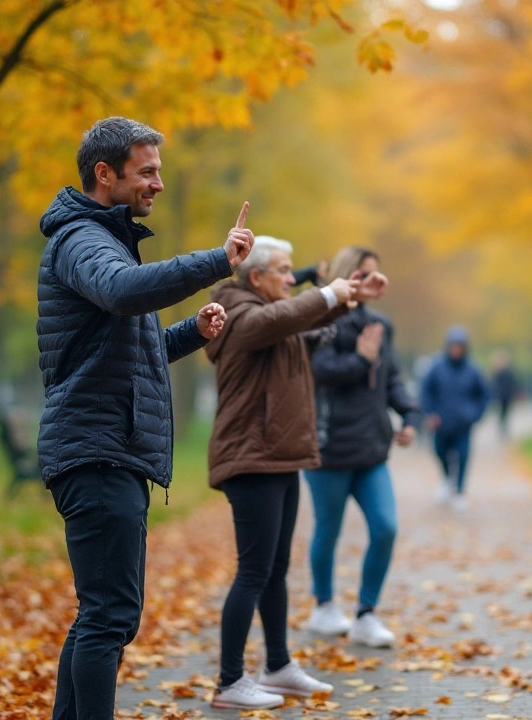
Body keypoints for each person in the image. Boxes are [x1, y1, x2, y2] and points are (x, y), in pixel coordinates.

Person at [37, 117, 253, 720]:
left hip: (106, 445)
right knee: (108, 616)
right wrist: (217, 259)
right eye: (147, 171)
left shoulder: (104, 239)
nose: (158, 182)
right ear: (105, 174)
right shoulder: (83, 240)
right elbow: (124, 291)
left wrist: (191, 331)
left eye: (159, 170)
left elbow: (127, 347)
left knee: (101, 615)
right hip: (96, 449)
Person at [205, 236, 387, 710]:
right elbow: (281, 319)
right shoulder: (239, 313)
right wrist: (330, 292)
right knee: (253, 571)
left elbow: (304, 324)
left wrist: (352, 296)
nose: (293, 277)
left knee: (276, 570)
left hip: (280, 456)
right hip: (252, 458)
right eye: (284, 271)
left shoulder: (270, 316)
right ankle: (229, 681)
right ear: (256, 277)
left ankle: (279, 666)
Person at [303, 246, 421, 648]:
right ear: (347, 276)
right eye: (364, 273)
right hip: (328, 447)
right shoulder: (320, 319)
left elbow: (392, 379)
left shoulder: (381, 325)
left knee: (385, 528)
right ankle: (323, 606)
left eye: (377, 273)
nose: (373, 281)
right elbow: (320, 373)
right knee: (328, 530)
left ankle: (367, 614)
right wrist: (360, 358)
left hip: (371, 448)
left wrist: (407, 415)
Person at [420, 326, 490, 512]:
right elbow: (426, 391)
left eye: (460, 346)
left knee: (463, 457)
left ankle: (459, 492)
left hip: (462, 425)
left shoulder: (473, 370)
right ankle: (446, 481)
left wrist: (475, 415)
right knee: (439, 452)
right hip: (440, 424)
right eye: (454, 345)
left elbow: (484, 395)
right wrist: (430, 413)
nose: (456, 349)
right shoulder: (436, 367)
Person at [491, 349, 520, 439]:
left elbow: (513, 384)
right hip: (500, 396)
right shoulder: (497, 373)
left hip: (507, 396)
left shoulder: (508, 373)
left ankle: (504, 428)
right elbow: (493, 385)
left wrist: (514, 393)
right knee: (501, 413)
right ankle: (502, 428)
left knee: (506, 413)